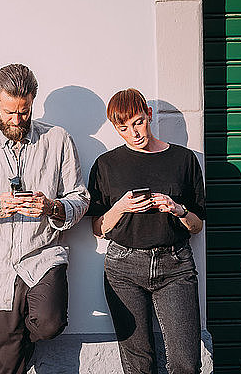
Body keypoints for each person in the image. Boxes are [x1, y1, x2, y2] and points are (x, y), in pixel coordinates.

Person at [0, 63, 89, 374]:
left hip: (43, 257)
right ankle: (17, 345)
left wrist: (51, 206)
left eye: (23, 112)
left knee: (50, 324)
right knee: (9, 364)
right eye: (9, 111)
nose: (16, 120)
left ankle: (23, 335)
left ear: (33, 103)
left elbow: (81, 198)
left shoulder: (58, 139)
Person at [87, 88, 205, 373]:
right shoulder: (106, 164)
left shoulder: (184, 160)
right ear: (116, 128)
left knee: (186, 363)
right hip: (123, 268)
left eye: (138, 122)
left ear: (148, 115)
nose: (134, 133)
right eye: (123, 128)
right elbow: (97, 228)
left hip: (175, 265)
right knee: (138, 365)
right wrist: (121, 207)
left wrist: (177, 209)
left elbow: (197, 225)